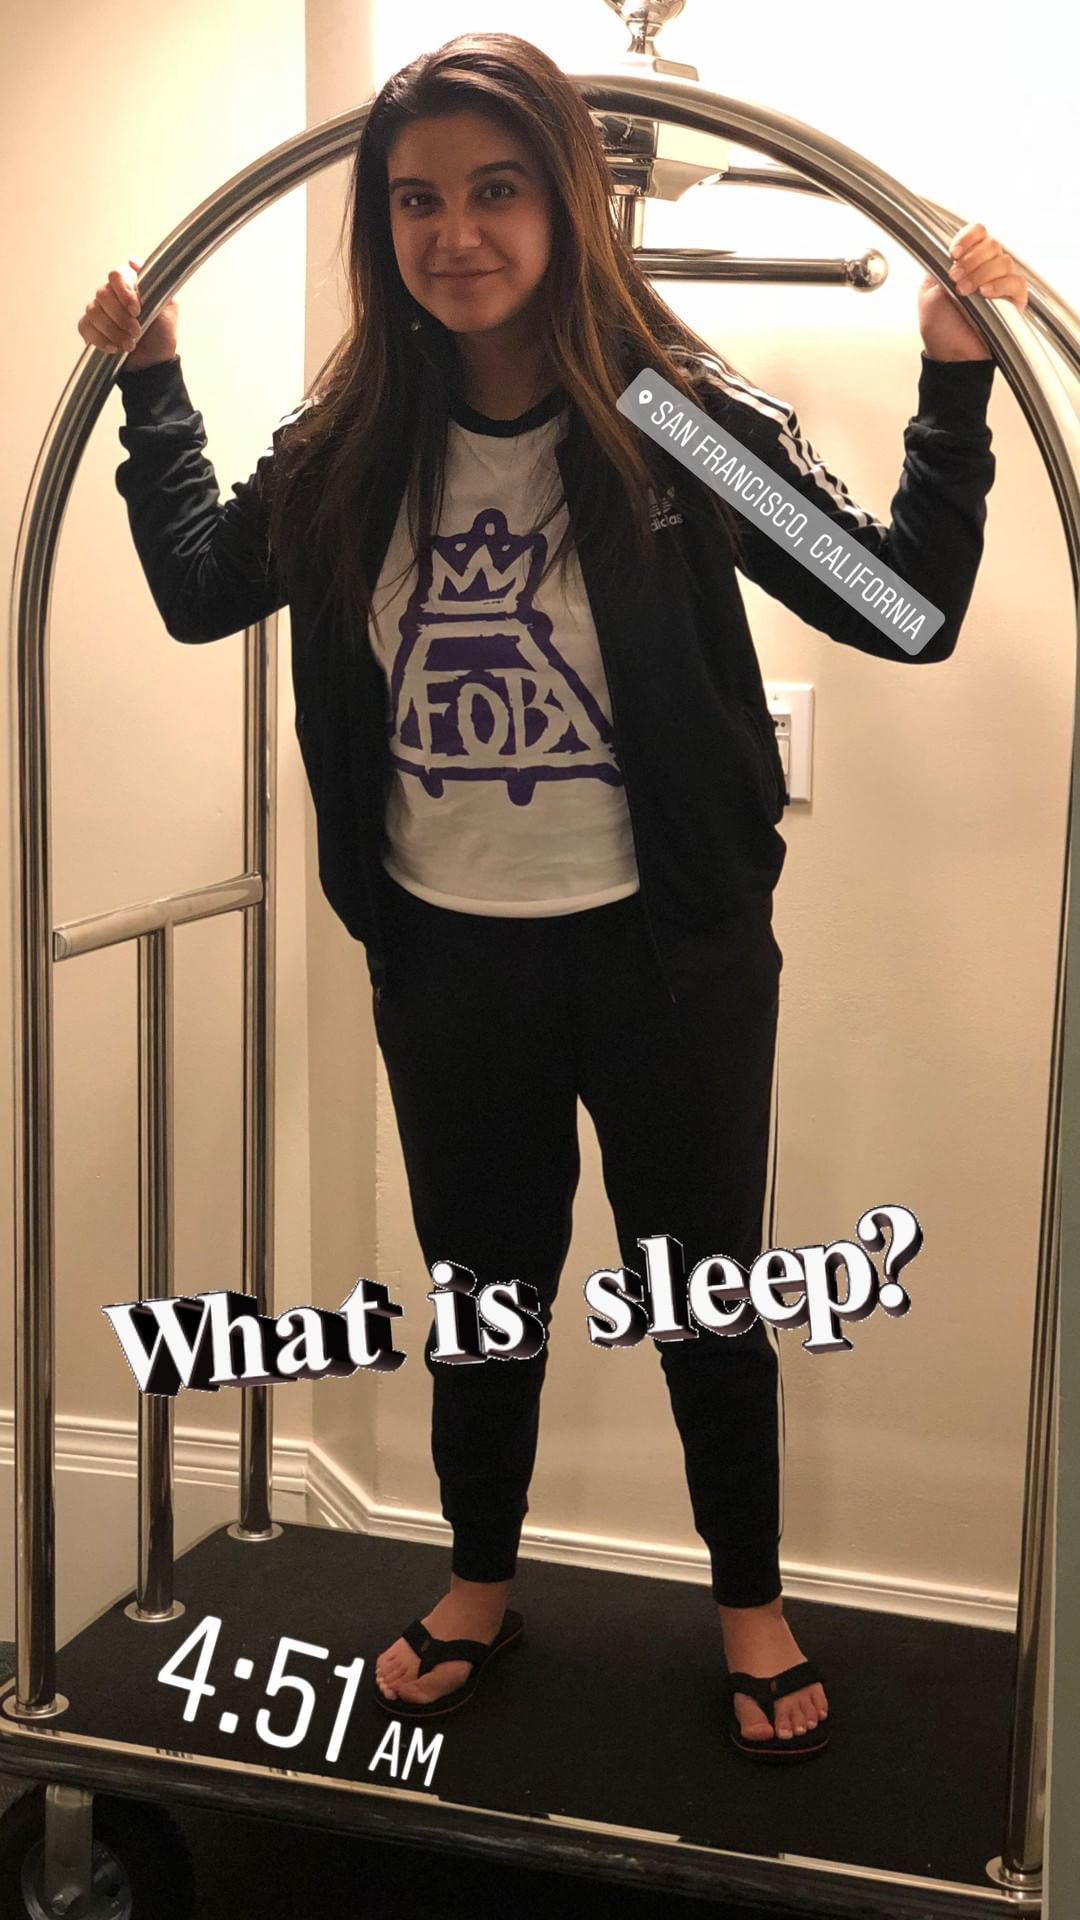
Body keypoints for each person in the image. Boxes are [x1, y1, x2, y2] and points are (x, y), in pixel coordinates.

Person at [85, 32, 1026, 1760]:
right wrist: (153, 386)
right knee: (484, 1292)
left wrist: (952, 380)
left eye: (497, 190)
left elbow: (901, 607)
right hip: (447, 955)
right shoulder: (357, 436)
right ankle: (476, 1583)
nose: (456, 233)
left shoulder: (668, 420)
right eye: (418, 200)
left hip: (670, 955)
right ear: (382, 224)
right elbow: (203, 589)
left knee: (703, 1292)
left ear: (567, 201)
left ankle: (751, 1604)